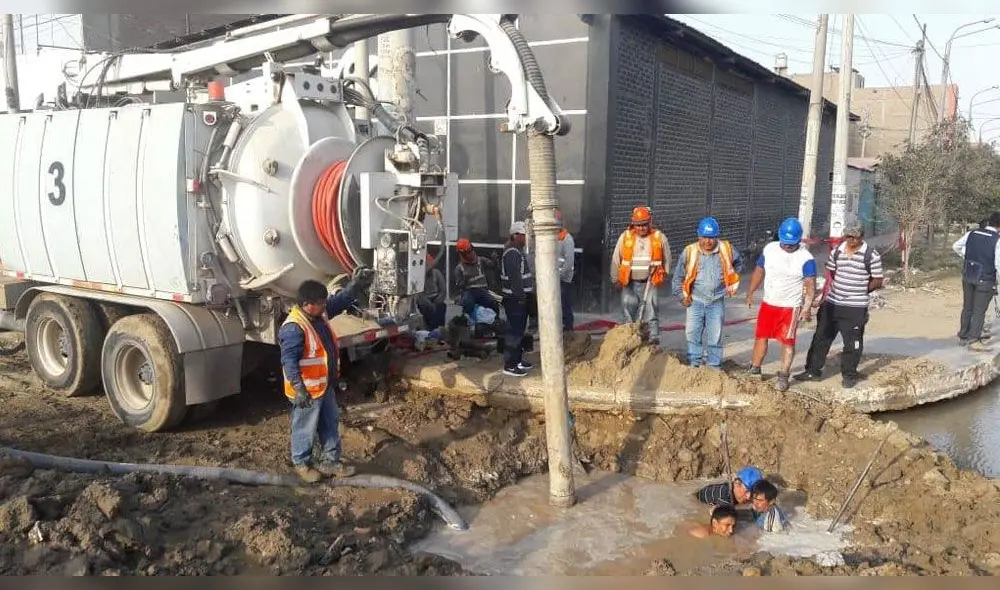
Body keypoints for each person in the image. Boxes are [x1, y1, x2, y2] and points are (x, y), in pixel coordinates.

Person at [278, 270, 374, 483]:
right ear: (306, 304)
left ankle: (330, 460)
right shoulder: (294, 327)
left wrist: (355, 285)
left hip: (324, 385)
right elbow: (289, 361)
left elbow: (338, 302)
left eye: (324, 302)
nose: (325, 306)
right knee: (305, 427)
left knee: (330, 423)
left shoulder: (318, 315)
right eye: (321, 303)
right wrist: (299, 388)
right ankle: (302, 463)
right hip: (307, 390)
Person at [795, 222, 884, 389]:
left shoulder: (871, 256)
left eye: (854, 237)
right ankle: (812, 371)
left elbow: (878, 281)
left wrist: (859, 289)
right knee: (821, 338)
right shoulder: (836, 252)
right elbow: (833, 273)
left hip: (855, 307)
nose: (851, 239)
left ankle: (849, 375)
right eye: (848, 236)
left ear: (861, 237)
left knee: (853, 343)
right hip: (832, 304)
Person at [745, 217, 817, 392]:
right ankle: (755, 368)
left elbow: (810, 285)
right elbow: (760, 270)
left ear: (798, 240)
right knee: (761, 337)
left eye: (791, 244)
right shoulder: (770, 249)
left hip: (789, 307)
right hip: (769, 303)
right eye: (785, 243)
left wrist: (807, 308)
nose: (787, 246)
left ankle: (783, 375)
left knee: (787, 342)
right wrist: (751, 291)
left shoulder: (806, 258)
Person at [671, 216, 743, 368]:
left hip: (716, 301)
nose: (708, 242)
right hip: (695, 301)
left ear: (717, 237)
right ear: (699, 236)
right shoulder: (689, 252)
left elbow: (738, 263)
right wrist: (681, 296)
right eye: (704, 237)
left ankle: (713, 366)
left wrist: (731, 278)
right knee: (692, 334)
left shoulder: (726, 249)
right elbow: (677, 277)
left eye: (711, 238)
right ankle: (694, 364)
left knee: (715, 336)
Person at [610, 206, 672, 344]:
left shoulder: (659, 238)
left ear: (649, 223)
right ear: (633, 224)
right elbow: (616, 259)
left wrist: (664, 275)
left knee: (651, 311)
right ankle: (629, 339)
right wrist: (615, 279)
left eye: (644, 224)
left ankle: (653, 340)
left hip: (650, 282)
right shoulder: (625, 237)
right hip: (629, 282)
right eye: (638, 225)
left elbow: (667, 259)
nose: (641, 228)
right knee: (627, 310)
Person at [952, 211, 1000, 351]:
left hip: (968, 275)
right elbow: (998, 263)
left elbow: (956, 246)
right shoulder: (997, 240)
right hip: (985, 278)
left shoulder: (972, 233)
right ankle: (974, 339)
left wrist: (968, 258)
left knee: (967, 307)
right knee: (979, 310)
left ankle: (963, 336)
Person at [500, 221, 535, 377]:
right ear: (515, 236)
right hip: (515, 300)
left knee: (519, 331)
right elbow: (515, 279)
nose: (525, 238)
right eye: (523, 235)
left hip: (518, 299)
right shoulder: (512, 253)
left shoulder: (516, 251)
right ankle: (510, 365)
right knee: (514, 332)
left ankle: (517, 360)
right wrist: (521, 298)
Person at [452, 238, 499, 319]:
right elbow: (459, 286)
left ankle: (496, 321)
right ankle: (467, 321)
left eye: (471, 250)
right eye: (468, 252)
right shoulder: (459, 268)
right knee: (468, 303)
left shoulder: (481, 260)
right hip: (469, 291)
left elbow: (493, 266)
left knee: (494, 301)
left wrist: (494, 260)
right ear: (462, 254)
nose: (471, 253)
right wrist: (465, 280)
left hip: (483, 290)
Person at [694, 465, 764, 508]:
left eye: (753, 493)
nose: (748, 497)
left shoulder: (732, 489)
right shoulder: (724, 497)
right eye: (746, 491)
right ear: (737, 483)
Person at [556, 209, 577, 332]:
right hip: (555, 278)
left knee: (564, 304)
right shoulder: (553, 238)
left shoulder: (567, 239)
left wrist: (558, 276)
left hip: (563, 279)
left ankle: (568, 329)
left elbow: (569, 263)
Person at [416, 253, 447, 331]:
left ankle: (439, 330)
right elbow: (419, 295)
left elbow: (443, 290)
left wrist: (437, 301)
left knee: (441, 308)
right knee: (428, 311)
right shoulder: (419, 277)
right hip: (425, 302)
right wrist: (429, 304)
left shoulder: (437, 273)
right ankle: (432, 331)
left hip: (437, 299)